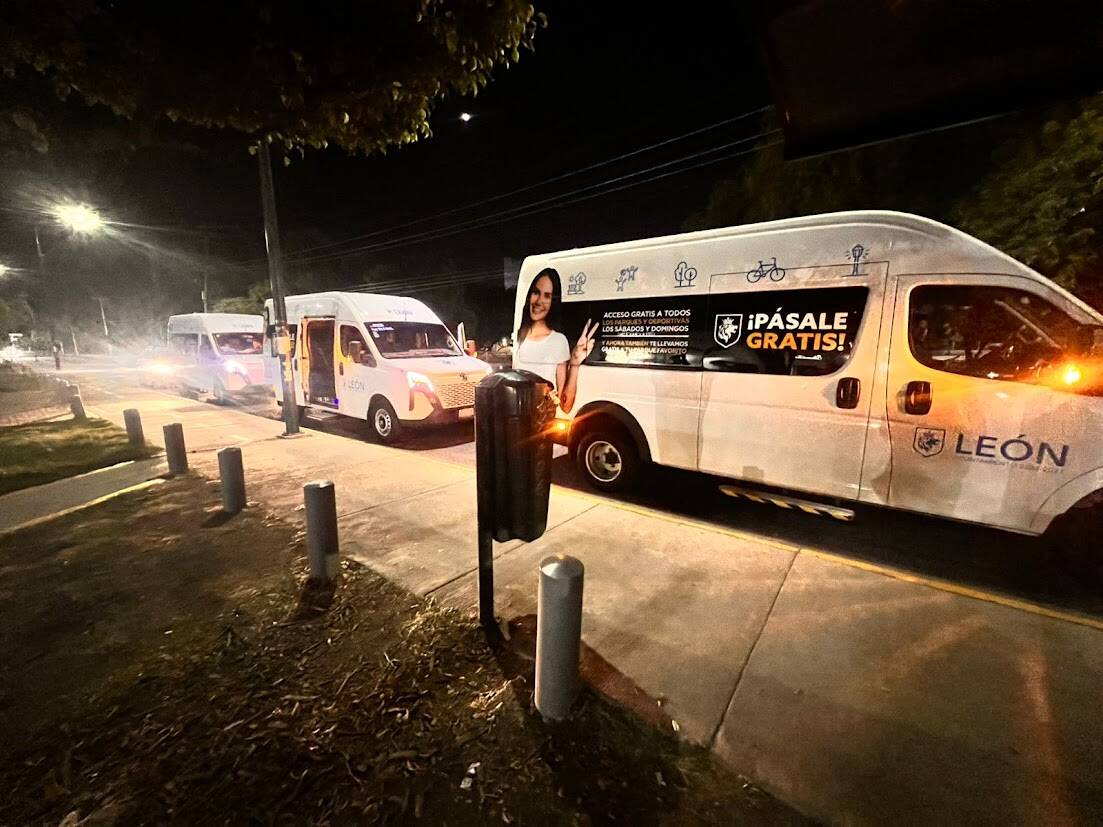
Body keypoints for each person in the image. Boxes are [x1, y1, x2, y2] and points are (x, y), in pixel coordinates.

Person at [513, 269, 598, 413]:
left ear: (553, 302)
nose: (539, 301)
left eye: (547, 296)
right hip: (515, 422)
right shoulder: (517, 336)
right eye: (536, 292)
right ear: (529, 296)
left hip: (542, 426)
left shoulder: (558, 341)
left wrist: (575, 364)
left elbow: (565, 407)